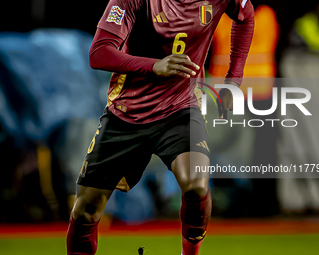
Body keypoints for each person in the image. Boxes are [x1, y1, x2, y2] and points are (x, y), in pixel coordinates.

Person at [66, 0, 254, 254]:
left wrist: (234, 78)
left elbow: (245, 14)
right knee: (86, 210)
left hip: (181, 108)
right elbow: (98, 53)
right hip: (127, 114)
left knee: (197, 184)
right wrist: (154, 65)